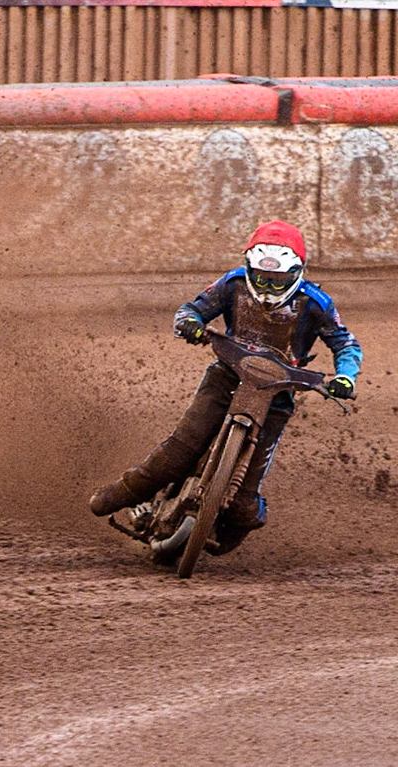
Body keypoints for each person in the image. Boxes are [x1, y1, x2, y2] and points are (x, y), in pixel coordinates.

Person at [87, 220, 362, 555]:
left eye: (278, 279)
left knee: (243, 505)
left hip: (278, 394)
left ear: (297, 272)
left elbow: (346, 344)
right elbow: (191, 310)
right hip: (226, 377)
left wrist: (346, 376)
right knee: (178, 453)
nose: (269, 285)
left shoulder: (317, 303)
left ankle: (226, 530)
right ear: (249, 268)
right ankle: (119, 495)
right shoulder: (232, 284)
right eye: (262, 277)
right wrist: (190, 324)